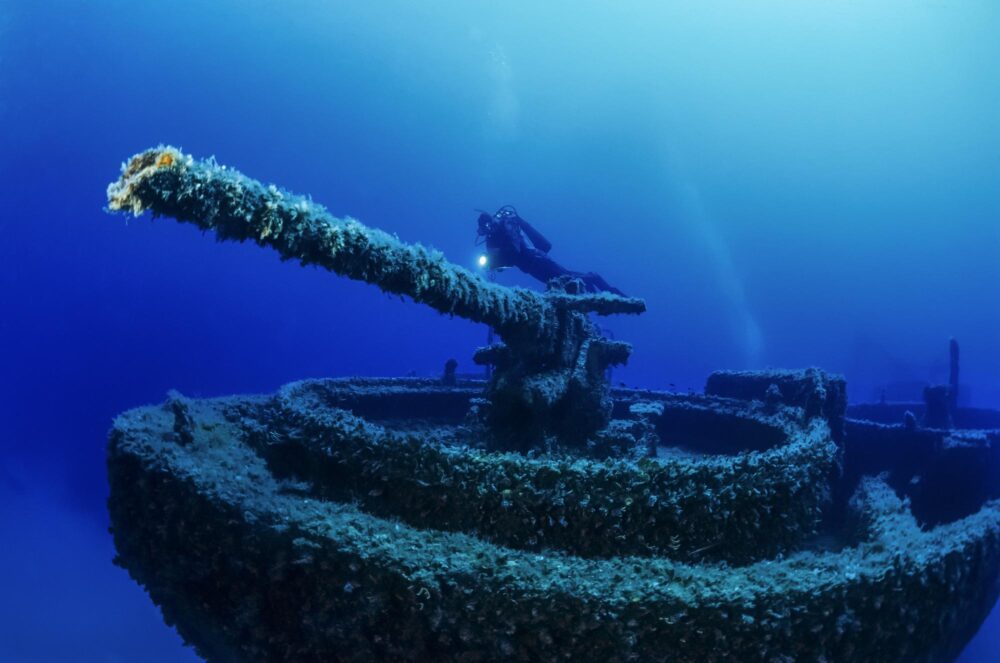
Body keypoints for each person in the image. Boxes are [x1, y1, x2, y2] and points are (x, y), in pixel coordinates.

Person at [475, 205, 625, 296]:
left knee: (566, 280)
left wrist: (494, 262)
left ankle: (596, 280)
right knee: (566, 279)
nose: (489, 229)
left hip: (537, 260)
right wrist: (492, 263)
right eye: (485, 229)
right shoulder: (493, 238)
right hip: (531, 267)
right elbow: (505, 263)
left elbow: (513, 253)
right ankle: (591, 283)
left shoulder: (506, 227)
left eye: (489, 225)